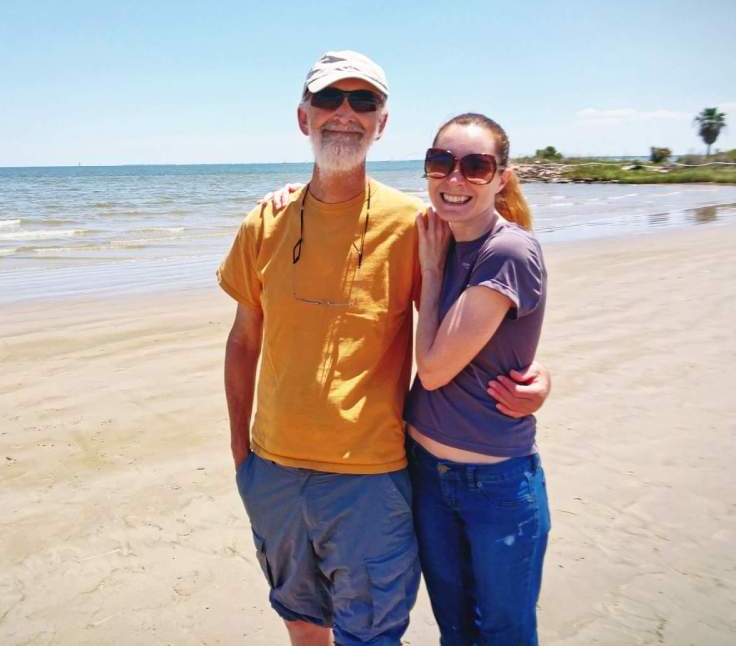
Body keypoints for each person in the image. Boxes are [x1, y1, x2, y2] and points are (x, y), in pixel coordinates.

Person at [218, 51, 549, 646]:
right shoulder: (264, 222)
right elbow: (243, 341)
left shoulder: (419, 226)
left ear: (382, 123)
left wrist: (540, 379)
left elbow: (486, 320)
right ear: (303, 117)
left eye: (363, 101)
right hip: (273, 471)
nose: (345, 113)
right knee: (301, 622)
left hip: (371, 478)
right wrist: (241, 454)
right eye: (329, 99)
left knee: (371, 636)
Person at [405, 113, 550, 646]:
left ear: (501, 178)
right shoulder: (440, 236)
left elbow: (433, 370)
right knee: (456, 632)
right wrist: (288, 195)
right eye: (441, 162)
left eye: (475, 166)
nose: (454, 178)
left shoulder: (507, 250)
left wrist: (431, 273)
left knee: (504, 635)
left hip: (495, 485)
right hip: (426, 474)